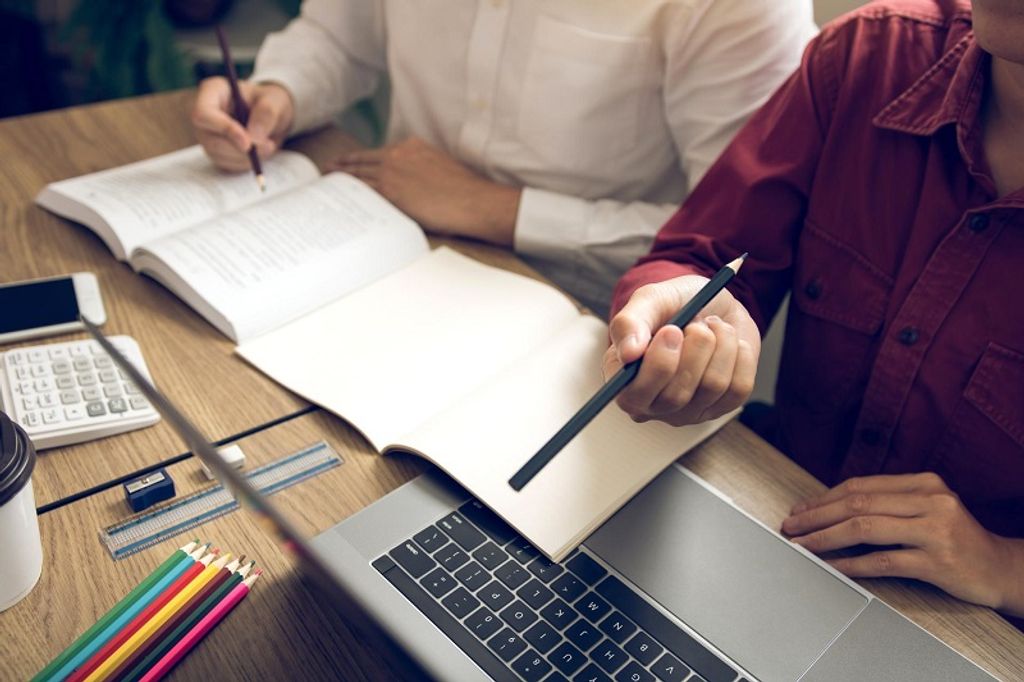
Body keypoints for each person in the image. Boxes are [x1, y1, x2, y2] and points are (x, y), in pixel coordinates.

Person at [603, 0, 1024, 619]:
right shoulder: (867, 57)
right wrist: (689, 313)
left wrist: (1007, 566)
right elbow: (706, 256)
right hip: (766, 523)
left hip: (958, 623)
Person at [190, 0, 815, 315]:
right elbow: (340, 34)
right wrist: (281, 91)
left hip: (582, 317)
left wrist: (498, 210)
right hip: (381, 248)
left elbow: (733, 247)